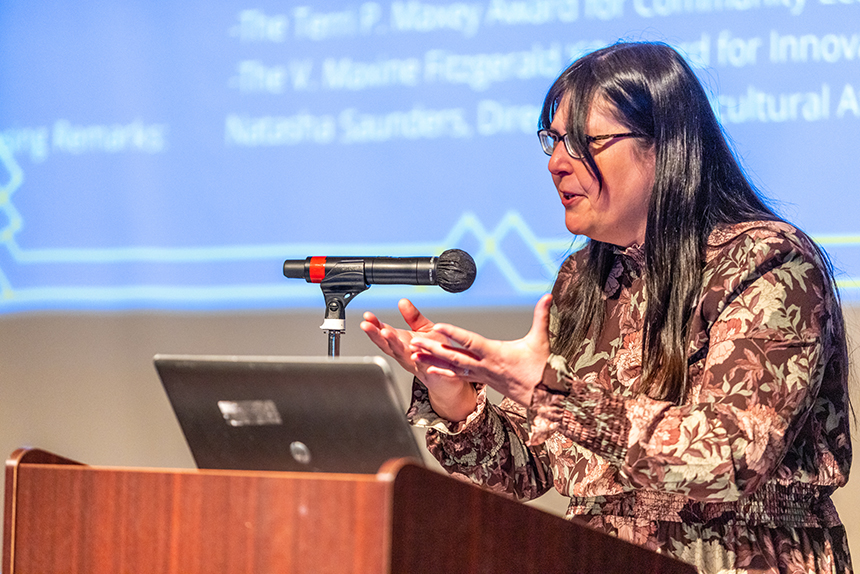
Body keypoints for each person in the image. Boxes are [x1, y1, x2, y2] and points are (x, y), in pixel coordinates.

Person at [360, 41, 852, 574]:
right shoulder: (583, 280)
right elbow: (532, 469)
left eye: (582, 141)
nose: (554, 163)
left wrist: (545, 391)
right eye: (552, 141)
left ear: (666, 145)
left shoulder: (767, 263)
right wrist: (455, 396)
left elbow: (729, 458)